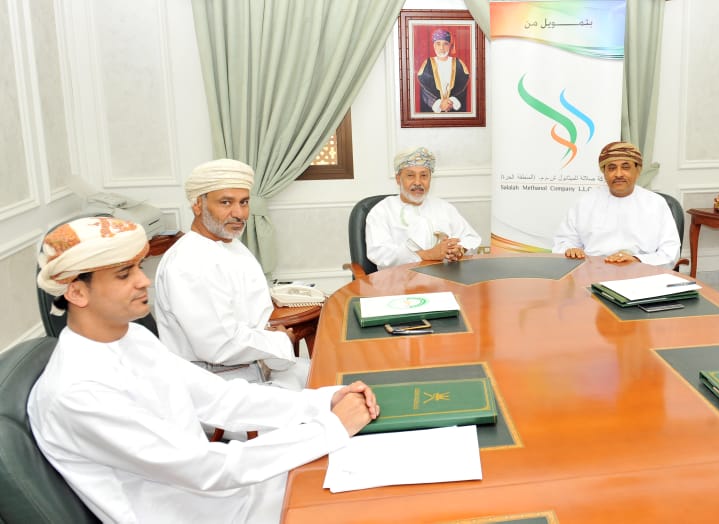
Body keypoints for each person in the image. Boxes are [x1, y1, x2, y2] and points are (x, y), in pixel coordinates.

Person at [28, 216, 379, 523]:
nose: (144, 281)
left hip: (228, 497)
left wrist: (324, 402)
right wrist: (330, 429)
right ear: (77, 292)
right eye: (124, 275)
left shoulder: (133, 337)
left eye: (138, 268)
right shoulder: (77, 391)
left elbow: (222, 399)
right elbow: (204, 468)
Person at [154, 159, 304, 389]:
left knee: (335, 376)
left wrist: (271, 335)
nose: (239, 213)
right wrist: (281, 340)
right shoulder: (190, 262)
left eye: (244, 202)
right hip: (219, 385)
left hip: (250, 368)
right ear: (198, 205)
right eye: (226, 202)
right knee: (336, 399)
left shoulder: (227, 243)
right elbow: (221, 345)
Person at [552, 141, 680, 267]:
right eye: (612, 168)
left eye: (625, 167)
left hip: (640, 271)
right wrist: (571, 250)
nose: (618, 174)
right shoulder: (585, 202)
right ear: (604, 172)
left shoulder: (656, 203)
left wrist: (636, 259)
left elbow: (670, 251)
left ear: (638, 170)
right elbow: (564, 241)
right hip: (594, 271)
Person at [365, 146, 481, 270]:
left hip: (443, 278)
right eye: (410, 175)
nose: (418, 182)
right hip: (399, 279)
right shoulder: (381, 211)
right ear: (398, 179)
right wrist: (428, 255)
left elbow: (471, 238)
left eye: (424, 176)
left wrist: (458, 249)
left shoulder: (444, 207)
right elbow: (379, 253)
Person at [416, 28, 470, 113]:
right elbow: (423, 88)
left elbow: (463, 86)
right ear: (434, 46)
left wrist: (451, 102)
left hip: (454, 110)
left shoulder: (458, 63)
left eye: (445, 44)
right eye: (438, 44)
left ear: (450, 46)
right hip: (433, 110)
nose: (442, 48)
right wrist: (438, 103)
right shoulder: (427, 64)